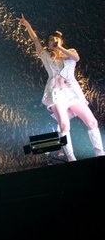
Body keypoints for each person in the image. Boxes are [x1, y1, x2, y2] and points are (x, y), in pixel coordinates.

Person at [19, 15, 104, 160]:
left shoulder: (70, 52)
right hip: (56, 94)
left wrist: (59, 48)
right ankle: (71, 158)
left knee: (92, 122)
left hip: (72, 93)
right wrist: (27, 25)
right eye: (50, 39)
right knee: (64, 126)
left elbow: (76, 58)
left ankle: (100, 153)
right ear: (48, 43)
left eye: (55, 39)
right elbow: (35, 40)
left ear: (60, 41)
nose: (53, 41)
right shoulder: (45, 55)